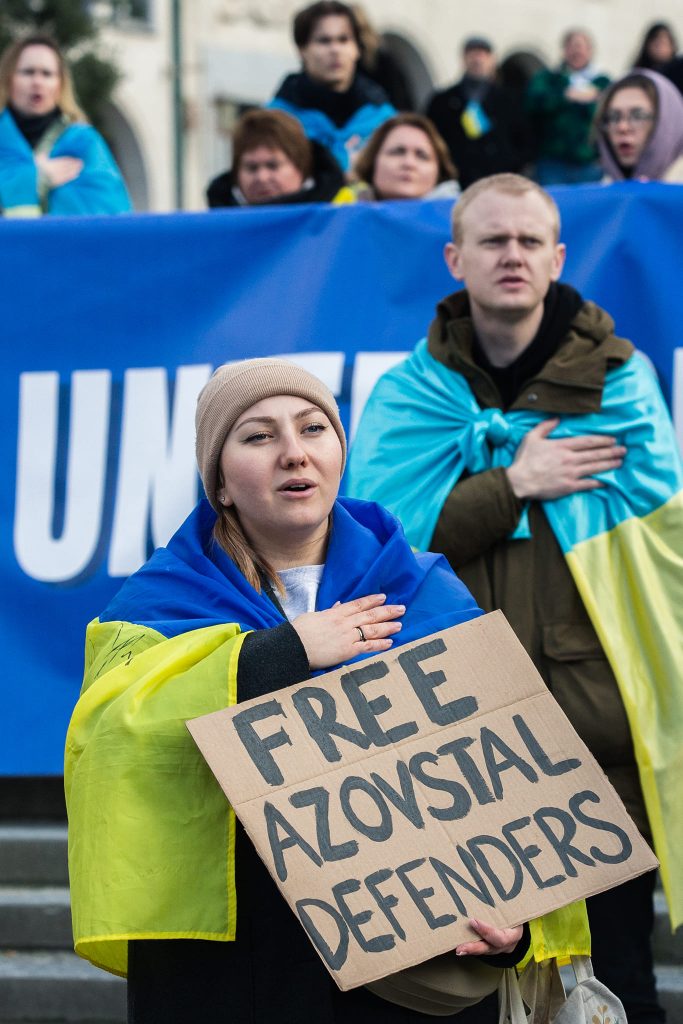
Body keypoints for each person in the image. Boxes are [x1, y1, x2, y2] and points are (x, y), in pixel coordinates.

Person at [65, 358, 537, 1023]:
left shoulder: (425, 591)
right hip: (228, 977)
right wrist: (282, 654)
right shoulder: (154, 606)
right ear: (220, 484)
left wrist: (507, 931)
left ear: (340, 453)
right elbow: (110, 737)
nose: (294, 453)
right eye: (258, 436)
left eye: (313, 428)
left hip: (403, 984)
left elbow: (509, 787)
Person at [348, 173, 683, 1024]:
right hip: (458, 746)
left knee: (616, 981)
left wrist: (491, 493)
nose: (512, 256)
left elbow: (658, 548)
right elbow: (379, 551)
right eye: (492, 241)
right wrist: (513, 484)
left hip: (593, 733)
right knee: (467, 988)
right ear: (455, 257)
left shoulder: (620, 383)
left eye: (530, 241)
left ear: (557, 257)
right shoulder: (407, 396)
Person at [0, 34, 131, 217]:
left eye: (47, 74)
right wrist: (37, 179)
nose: (37, 82)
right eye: (28, 72)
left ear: (60, 84)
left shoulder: (83, 142)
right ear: (8, 79)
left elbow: (108, 211)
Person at [268, 0, 395, 172]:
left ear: (357, 48)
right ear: (302, 50)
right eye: (324, 41)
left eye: (343, 40)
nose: (335, 50)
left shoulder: (384, 120)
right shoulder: (274, 122)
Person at [425, 37, 532, 189]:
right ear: (463, 59)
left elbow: (524, 138)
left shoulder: (509, 99)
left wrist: (512, 164)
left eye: (483, 54)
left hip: (499, 178)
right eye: (472, 54)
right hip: (458, 179)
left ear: (492, 60)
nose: (477, 60)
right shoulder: (443, 100)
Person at [206, 108, 351, 207]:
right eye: (251, 168)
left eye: (273, 166)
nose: (262, 177)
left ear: (301, 166)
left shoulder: (338, 220)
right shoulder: (217, 231)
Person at [525, 29, 610, 185]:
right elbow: (532, 104)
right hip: (552, 162)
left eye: (581, 46)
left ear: (590, 51)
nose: (577, 51)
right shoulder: (548, 78)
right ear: (564, 50)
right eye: (572, 46)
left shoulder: (602, 82)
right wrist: (565, 96)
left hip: (589, 163)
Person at [595, 69, 683, 182]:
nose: (622, 127)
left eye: (638, 116)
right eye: (613, 117)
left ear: (668, 123)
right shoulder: (600, 190)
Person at [352, 112, 459, 200]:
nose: (409, 163)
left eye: (422, 156)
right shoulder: (342, 221)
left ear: (440, 171)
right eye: (397, 152)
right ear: (372, 162)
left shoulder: (463, 224)